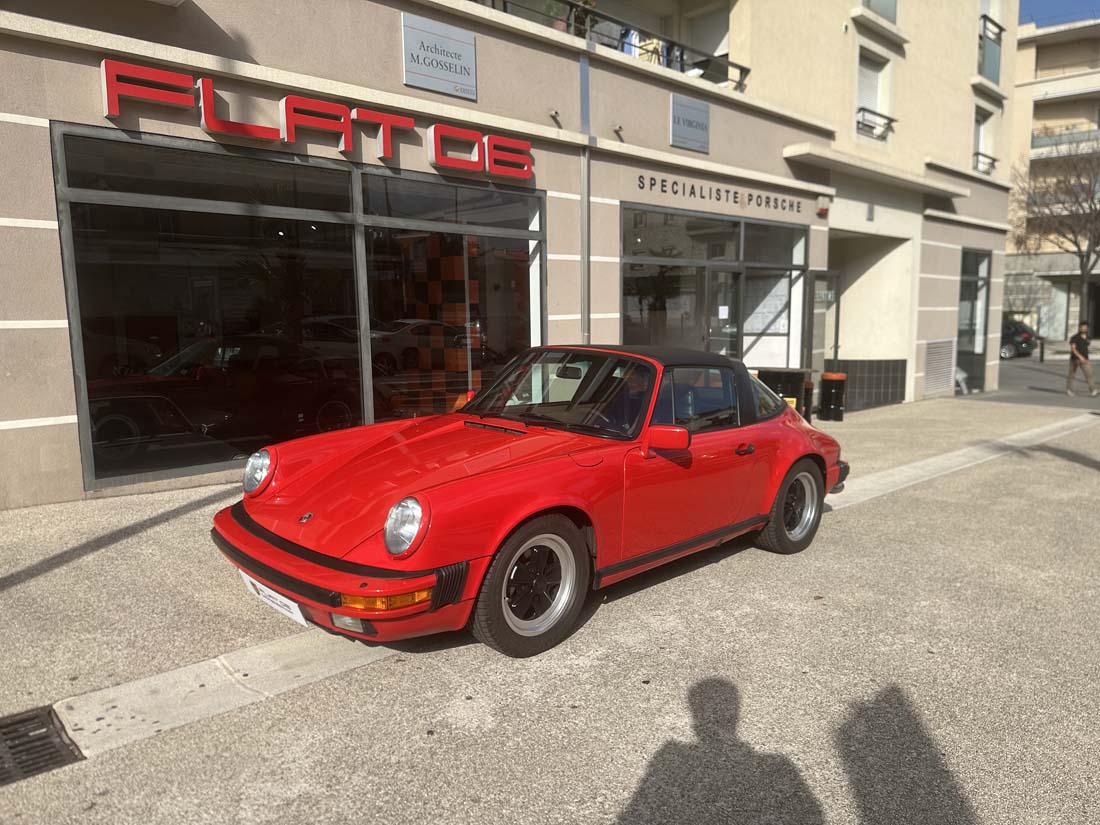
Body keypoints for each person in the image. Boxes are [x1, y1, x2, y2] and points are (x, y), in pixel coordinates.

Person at [1067, 320, 1098, 397]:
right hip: (1074, 359)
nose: (1084, 328)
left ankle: (1093, 390)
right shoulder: (1074, 337)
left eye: (1085, 327)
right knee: (1072, 375)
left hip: (1085, 359)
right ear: (1080, 328)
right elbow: (1073, 349)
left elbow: (1086, 347)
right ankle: (1069, 389)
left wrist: (1085, 357)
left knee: (1089, 374)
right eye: (1082, 327)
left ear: (1087, 328)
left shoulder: (1088, 337)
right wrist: (1080, 357)